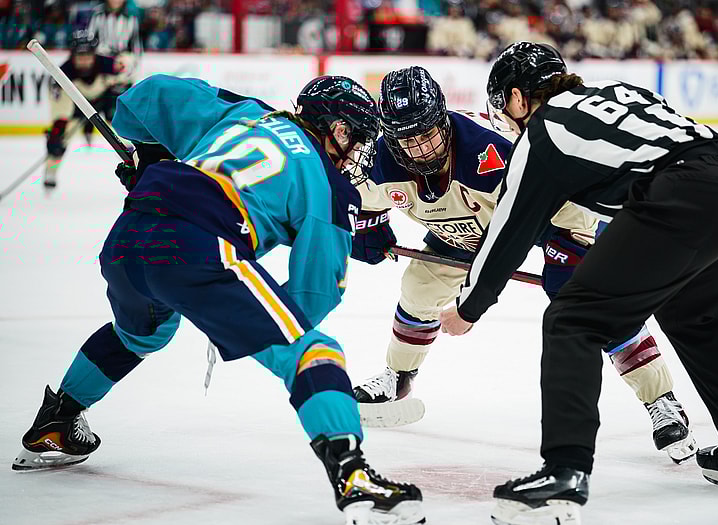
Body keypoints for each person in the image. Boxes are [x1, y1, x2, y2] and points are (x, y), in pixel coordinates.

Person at [13, 74, 426, 525]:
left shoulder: (246, 112)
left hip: (129, 237)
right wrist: (258, 317)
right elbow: (312, 298)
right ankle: (354, 477)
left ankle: (59, 420)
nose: (357, 156)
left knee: (141, 333)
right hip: (198, 246)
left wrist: (151, 161)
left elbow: (142, 100)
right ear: (339, 130)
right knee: (313, 350)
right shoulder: (331, 186)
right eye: (359, 138)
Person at [439, 41, 718, 524]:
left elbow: (508, 233)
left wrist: (468, 306)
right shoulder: (619, 92)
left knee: (572, 320)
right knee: (691, 312)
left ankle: (564, 472)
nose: (508, 119)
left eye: (507, 106)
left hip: (689, 196)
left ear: (519, 99)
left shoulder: (543, 133)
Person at [351, 65, 696, 463]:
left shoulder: (492, 149)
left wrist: (572, 247)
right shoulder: (382, 161)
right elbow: (359, 199)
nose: (421, 150)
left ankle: (662, 399)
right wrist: (366, 228)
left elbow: (567, 195)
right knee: (420, 286)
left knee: (590, 298)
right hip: (460, 234)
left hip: (540, 217)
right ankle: (399, 375)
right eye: (407, 140)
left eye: (427, 133)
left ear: (443, 117)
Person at [43, 29, 126, 190]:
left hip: (104, 100)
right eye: (80, 56)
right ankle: (50, 170)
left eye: (88, 56)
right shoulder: (62, 75)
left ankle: (137, 165)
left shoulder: (109, 65)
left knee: (122, 131)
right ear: (72, 56)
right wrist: (57, 132)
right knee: (60, 139)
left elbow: (126, 81)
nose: (84, 60)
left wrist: (115, 95)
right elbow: (60, 110)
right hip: (76, 105)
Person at [84, 0, 142, 140]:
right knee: (94, 97)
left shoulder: (131, 18)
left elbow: (135, 46)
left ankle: (124, 141)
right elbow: (90, 39)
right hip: (102, 61)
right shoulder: (98, 15)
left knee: (116, 107)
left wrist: (132, 64)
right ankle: (88, 128)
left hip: (122, 64)